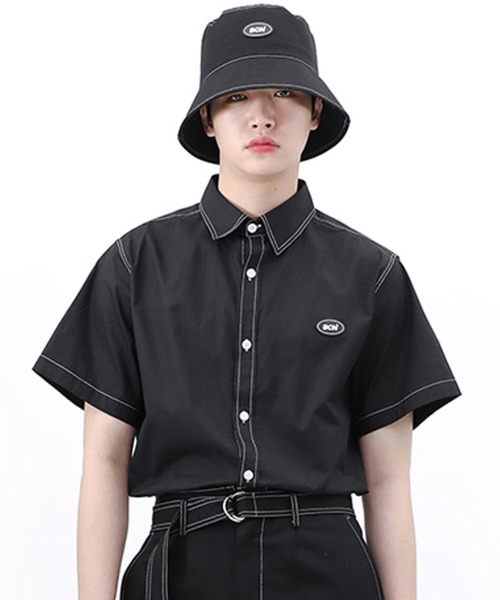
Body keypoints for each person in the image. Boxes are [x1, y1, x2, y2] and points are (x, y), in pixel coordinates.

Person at [33, 5, 461, 600]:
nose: (262, 115)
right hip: (179, 572)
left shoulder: (372, 275)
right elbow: (104, 461)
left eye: (285, 92)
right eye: (236, 96)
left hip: (326, 572)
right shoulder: (135, 266)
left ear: (315, 112)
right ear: (208, 118)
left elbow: (389, 480)